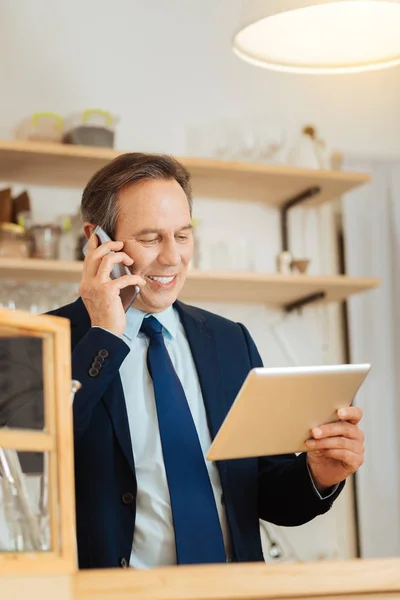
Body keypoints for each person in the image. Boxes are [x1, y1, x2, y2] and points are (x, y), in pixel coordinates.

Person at [50, 153, 365, 569]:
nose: (171, 258)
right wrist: (105, 335)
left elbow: (263, 494)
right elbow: (32, 459)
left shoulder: (229, 341)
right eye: (150, 238)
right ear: (96, 240)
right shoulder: (45, 340)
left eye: (182, 235)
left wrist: (319, 472)